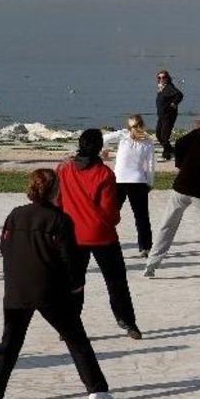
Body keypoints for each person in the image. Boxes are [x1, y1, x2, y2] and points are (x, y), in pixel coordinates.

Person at [0, 169, 114, 399]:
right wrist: (76, 285)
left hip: (17, 289)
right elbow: (70, 259)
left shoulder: (15, 215)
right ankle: (97, 391)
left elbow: (4, 247)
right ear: (55, 190)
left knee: (9, 343)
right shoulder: (60, 219)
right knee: (76, 339)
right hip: (51, 290)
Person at [57, 129, 142, 340]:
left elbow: (58, 200)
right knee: (115, 281)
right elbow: (110, 211)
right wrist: (113, 221)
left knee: (74, 282)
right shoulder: (104, 174)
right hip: (101, 233)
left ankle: (68, 325)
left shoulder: (65, 170)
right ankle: (127, 322)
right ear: (99, 148)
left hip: (73, 234)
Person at [144, 115, 200, 279]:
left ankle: (150, 265)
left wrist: (180, 164)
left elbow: (179, 144)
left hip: (182, 185)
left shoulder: (199, 133)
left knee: (167, 226)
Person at [102, 115, 156, 258]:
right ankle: (145, 247)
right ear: (142, 125)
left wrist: (103, 151)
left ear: (129, 125)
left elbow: (103, 138)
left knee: (111, 213)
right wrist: (150, 182)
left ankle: (104, 242)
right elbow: (150, 166)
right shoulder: (148, 141)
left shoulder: (123, 135)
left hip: (119, 180)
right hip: (138, 181)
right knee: (141, 216)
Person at [155, 69, 184, 161]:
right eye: (159, 77)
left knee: (164, 136)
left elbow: (179, 95)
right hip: (161, 115)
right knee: (158, 134)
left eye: (163, 77)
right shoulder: (161, 87)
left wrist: (173, 104)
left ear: (167, 78)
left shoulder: (169, 87)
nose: (161, 79)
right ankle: (171, 150)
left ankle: (167, 154)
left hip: (168, 115)